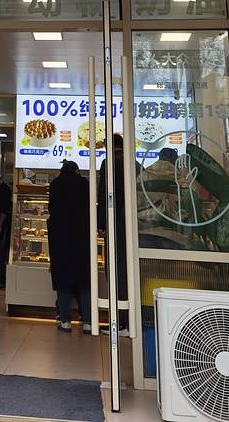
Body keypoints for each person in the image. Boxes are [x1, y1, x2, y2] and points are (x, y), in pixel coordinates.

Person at [97, 133, 138, 337]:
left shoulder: (110, 163)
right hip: (134, 226)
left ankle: (119, 323)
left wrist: (101, 223)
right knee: (129, 272)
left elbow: (105, 193)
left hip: (116, 224)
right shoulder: (135, 164)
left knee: (115, 271)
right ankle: (131, 321)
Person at [47, 159, 91, 333]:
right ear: (76, 171)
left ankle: (65, 321)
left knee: (63, 280)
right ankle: (88, 321)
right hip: (82, 237)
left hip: (60, 238)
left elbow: (51, 209)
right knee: (84, 281)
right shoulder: (84, 183)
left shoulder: (55, 184)